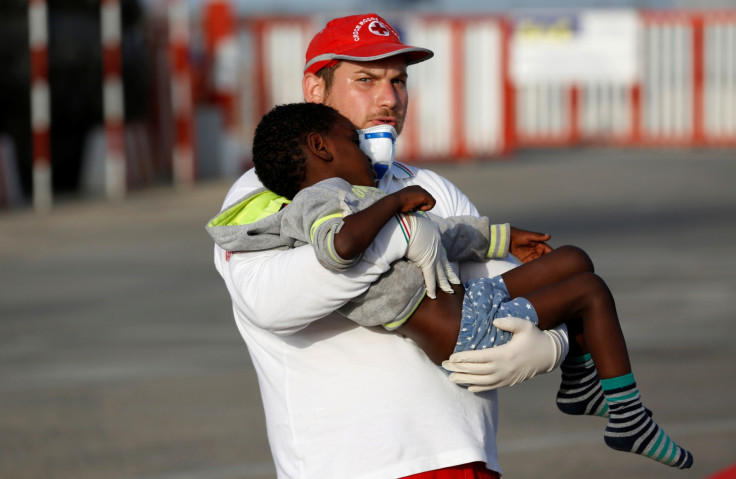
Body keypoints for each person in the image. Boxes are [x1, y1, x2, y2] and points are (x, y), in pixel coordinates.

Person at [210, 102, 693, 469]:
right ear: (320, 147)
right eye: (354, 141)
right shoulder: (317, 200)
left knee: (574, 261)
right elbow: (339, 247)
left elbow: (444, 235)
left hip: (467, 310)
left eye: (399, 81)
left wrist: (504, 236)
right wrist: (394, 207)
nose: (369, 143)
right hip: (455, 330)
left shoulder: (364, 193)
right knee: (590, 291)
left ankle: (580, 383)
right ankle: (629, 418)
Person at [211, 13, 569, 478]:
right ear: (315, 90)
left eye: (399, 81)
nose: (389, 98)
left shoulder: (428, 185)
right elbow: (270, 302)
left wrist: (554, 342)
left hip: (466, 459)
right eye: (366, 79)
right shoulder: (265, 190)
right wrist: (397, 237)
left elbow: (498, 286)